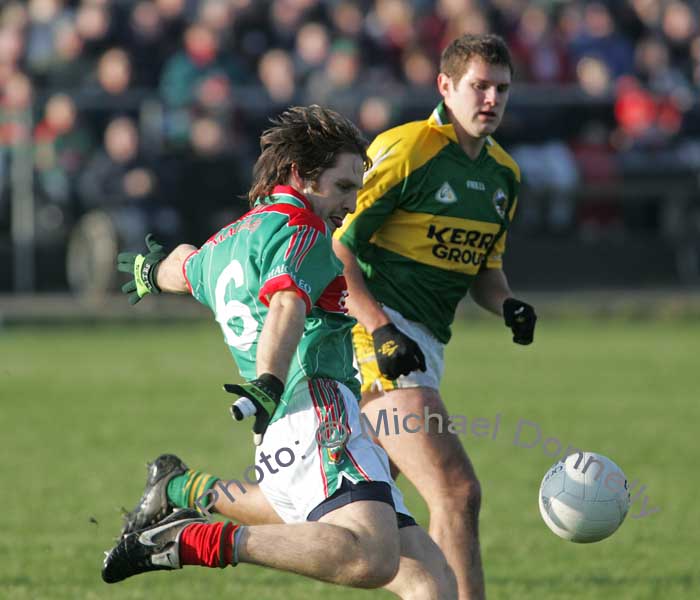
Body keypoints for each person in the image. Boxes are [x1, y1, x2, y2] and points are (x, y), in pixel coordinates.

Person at [102, 105, 457, 599]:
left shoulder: (230, 239)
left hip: (286, 427)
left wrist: (149, 272)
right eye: (343, 186)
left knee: (430, 579)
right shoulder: (305, 230)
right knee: (372, 558)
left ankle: (183, 493)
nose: (352, 204)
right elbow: (287, 302)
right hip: (315, 409)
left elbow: (184, 266)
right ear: (299, 175)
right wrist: (267, 380)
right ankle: (186, 540)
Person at [331, 34, 537, 600]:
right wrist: (381, 327)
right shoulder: (405, 149)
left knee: (354, 515)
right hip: (376, 337)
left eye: (501, 88)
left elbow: (484, 274)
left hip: (422, 345)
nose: (490, 98)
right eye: (479, 86)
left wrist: (508, 304)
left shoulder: (504, 177)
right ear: (445, 86)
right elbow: (337, 248)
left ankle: (190, 506)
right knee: (457, 492)